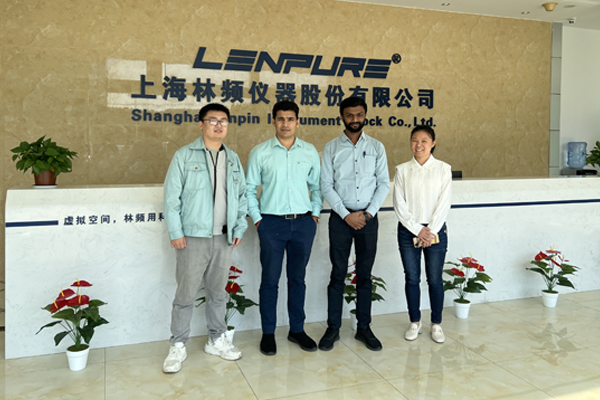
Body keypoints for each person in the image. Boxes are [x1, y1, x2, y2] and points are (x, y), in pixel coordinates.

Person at [162, 103, 248, 373]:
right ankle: (177, 344)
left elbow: (241, 197)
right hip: (192, 238)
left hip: (223, 238)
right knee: (185, 294)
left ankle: (216, 339)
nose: (219, 125)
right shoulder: (184, 156)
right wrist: (176, 232)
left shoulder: (232, 158)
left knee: (218, 293)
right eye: (213, 120)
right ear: (201, 124)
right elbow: (171, 198)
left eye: (223, 121)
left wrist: (238, 228)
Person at [246, 100, 322, 356]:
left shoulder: (309, 151)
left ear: (298, 122)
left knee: (297, 279)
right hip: (272, 224)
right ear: (274, 121)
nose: (285, 123)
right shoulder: (260, 152)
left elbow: (317, 187)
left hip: (303, 223)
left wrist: (314, 215)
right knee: (270, 280)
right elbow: (248, 189)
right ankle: (268, 333)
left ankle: (296, 330)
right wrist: (259, 219)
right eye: (281, 118)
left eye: (290, 119)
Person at [318, 97, 390, 351]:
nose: (355, 119)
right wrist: (345, 214)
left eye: (359, 114)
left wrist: (367, 214)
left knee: (364, 275)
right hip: (340, 219)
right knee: (338, 273)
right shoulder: (331, 148)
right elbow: (326, 184)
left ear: (365, 115)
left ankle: (364, 328)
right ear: (342, 117)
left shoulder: (377, 147)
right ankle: (333, 329)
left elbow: (384, 183)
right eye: (350, 115)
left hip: (368, 219)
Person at [393, 125, 451, 344]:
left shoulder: (443, 169)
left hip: (435, 229)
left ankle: (436, 324)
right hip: (409, 230)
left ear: (433, 143)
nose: (419, 145)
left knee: (435, 278)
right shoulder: (402, 170)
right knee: (412, 277)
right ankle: (415, 322)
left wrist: (430, 231)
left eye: (424, 140)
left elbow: (444, 203)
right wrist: (418, 230)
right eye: (415, 140)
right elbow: (399, 204)